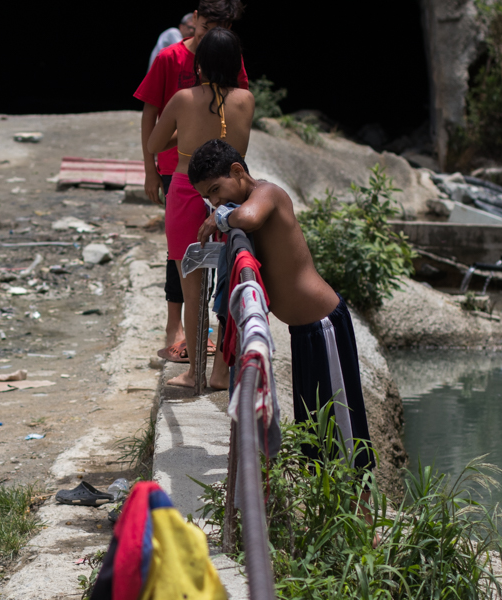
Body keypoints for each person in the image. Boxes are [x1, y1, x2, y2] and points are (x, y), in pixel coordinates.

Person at [188, 140, 376, 472]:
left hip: (325, 327)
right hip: (304, 333)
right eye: (209, 197)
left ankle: (361, 517)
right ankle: (327, 515)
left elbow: (248, 216)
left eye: (216, 190)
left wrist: (218, 218)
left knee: (346, 437)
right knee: (314, 431)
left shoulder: (268, 193)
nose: (215, 201)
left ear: (237, 171)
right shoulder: (247, 197)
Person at [134, 0, 248, 361]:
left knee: (191, 278)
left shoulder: (184, 98)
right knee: (233, 273)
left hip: (186, 189)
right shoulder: (246, 100)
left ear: (199, 64)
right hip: (231, 194)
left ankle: (193, 362)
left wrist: (183, 136)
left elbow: (154, 141)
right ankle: (225, 363)